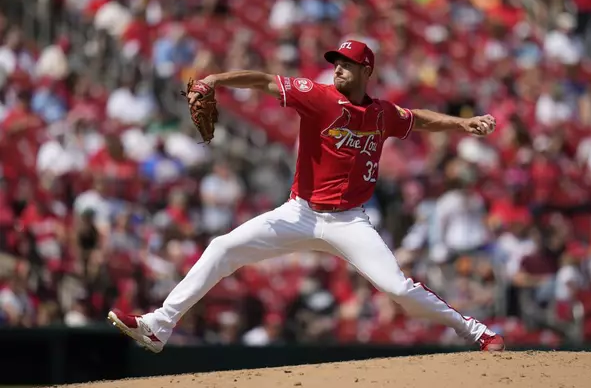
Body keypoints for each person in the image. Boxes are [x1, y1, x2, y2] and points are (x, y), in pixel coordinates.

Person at [107, 40, 504, 353]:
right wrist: (215, 80)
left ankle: (476, 331)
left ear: (367, 70)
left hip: (349, 221)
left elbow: (418, 119)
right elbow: (264, 80)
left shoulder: (382, 113)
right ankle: (158, 326)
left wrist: (462, 124)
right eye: (336, 61)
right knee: (223, 247)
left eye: (347, 63)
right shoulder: (318, 96)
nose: (338, 67)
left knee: (398, 290)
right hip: (300, 213)